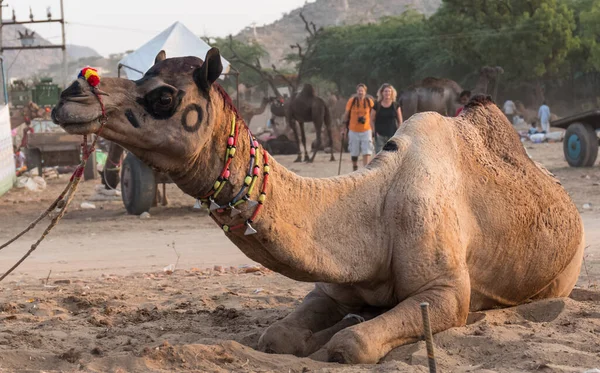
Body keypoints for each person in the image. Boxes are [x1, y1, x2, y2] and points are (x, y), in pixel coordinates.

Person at [342, 83, 375, 171]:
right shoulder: (352, 101)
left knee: (367, 150)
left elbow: (373, 115)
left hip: (366, 129)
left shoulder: (369, 101)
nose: (361, 92)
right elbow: (346, 114)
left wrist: (374, 128)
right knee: (354, 151)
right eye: (359, 90)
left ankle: (365, 170)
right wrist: (343, 128)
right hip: (353, 129)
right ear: (357, 91)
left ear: (365, 92)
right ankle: (355, 168)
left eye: (362, 91)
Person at [372, 83, 403, 153]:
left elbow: (400, 121)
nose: (387, 93)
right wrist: (374, 131)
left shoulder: (396, 105)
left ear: (392, 93)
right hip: (379, 135)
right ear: (382, 92)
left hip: (392, 135)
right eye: (385, 91)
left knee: (391, 155)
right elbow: (371, 119)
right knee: (379, 156)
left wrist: (398, 133)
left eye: (389, 91)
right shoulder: (377, 105)